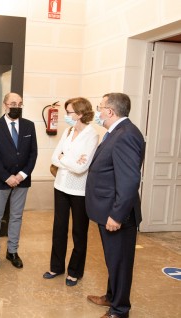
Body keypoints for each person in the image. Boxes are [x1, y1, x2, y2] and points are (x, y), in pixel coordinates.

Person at [86, 93, 145, 318]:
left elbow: (129, 180)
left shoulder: (125, 135)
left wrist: (117, 215)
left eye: (100, 108)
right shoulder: (117, 132)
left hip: (116, 213)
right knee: (114, 260)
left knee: (120, 263)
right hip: (107, 209)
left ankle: (119, 311)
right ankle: (111, 296)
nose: (98, 112)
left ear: (110, 112)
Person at [43, 97, 99, 286]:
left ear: (81, 114)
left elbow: (81, 168)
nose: (66, 116)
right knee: (59, 228)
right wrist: (68, 160)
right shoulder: (68, 131)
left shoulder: (92, 135)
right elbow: (54, 157)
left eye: (69, 113)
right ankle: (56, 267)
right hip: (60, 185)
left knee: (79, 231)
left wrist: (64, 159)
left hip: (79, 190)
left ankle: (75, 271)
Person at [0, 92, 37, 270]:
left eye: (20, 104)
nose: (16, 107)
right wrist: (7, 177)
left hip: (22, 180)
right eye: (13, 103)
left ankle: (12, 251)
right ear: (5, 105)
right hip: (2, 180)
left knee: (16, 216)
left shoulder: (29, 126)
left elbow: (33, 154)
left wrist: (21, 175)